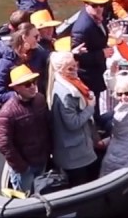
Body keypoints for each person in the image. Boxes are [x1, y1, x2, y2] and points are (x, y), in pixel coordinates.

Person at [47, 51, 101, 187]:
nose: (75, 70)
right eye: (70, 68)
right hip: (75, 153)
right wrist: (90, 107)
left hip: (79, 146)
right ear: (59, 70)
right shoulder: (66, 94)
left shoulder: (66, 82)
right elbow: (73, 123)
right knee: (83, 184)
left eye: (75, 65)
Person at [0, 64, 52, 195]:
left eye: (33, 82)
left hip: (42, 159)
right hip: (25, 168)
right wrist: (22, 167)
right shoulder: (7, 113)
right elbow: (4, 145)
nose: (32, 86)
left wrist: (49, 150)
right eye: (27, 84)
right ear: (16, 88)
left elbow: (48, 125)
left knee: (41, 191)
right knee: (26, 196)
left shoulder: (40, 99)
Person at [71, 0, 115, 104]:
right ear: (86, 5)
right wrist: (102, 54)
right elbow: (78, 57)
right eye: (94, 5)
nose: (99, 8)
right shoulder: (81, 28)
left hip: (98, 69)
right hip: (88, 76)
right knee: (92, 103)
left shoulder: (98, 16)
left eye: (101, 5)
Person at [0, 24, 50, 104]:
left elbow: (49, 58)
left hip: (39, 97)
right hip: (21, 103)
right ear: (24, 38)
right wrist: (21, 95)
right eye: (35, 37)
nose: (39, 39)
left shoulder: (38, 52)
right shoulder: (6, 62)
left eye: (39, 36)